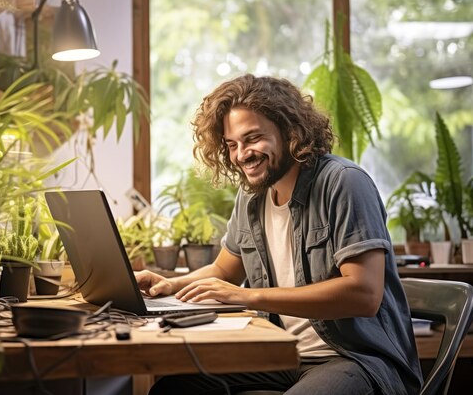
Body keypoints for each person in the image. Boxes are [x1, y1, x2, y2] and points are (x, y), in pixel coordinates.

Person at [136, 75, 423, 395]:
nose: (241, 154)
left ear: (291, 132)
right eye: (232, 144)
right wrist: (169, 284)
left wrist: (249, 297)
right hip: (281, 353)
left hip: (354, 358)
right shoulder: (252, 197)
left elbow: (364, 294)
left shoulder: (343, 182)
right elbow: (223, 272)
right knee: (174, 390)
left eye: (253, 138)